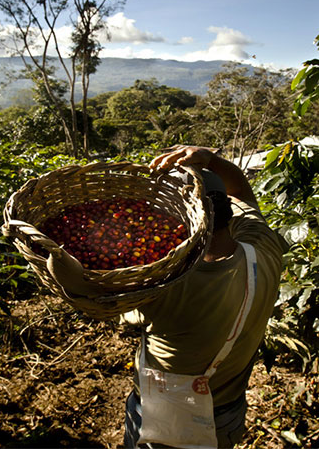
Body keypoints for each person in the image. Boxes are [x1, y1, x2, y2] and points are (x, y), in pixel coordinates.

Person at [121, 145, 289, 449]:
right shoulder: (264, 247)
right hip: (228, 414)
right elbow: (243, 196)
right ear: (225, 210)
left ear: (178, 224)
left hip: (164, 423)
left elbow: (107, 305)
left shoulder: (164, 290)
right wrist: (211, 161)